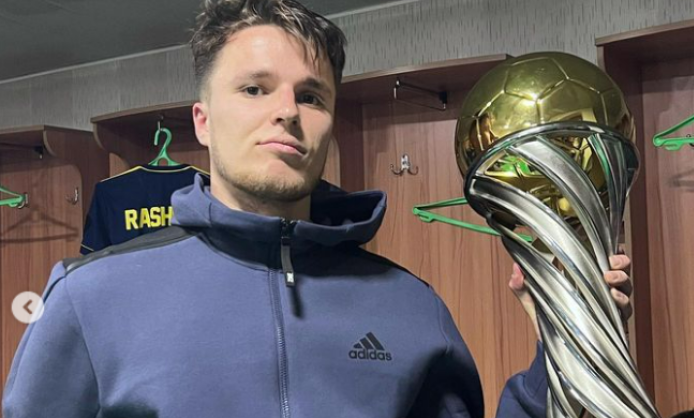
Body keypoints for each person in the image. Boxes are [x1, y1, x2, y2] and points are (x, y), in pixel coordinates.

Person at [1, 0, 633, 417]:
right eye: (254, 89)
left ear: (330, 122)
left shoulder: (412, 308)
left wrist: (563, 346)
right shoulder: (90, 299)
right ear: (203, 121)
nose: (286, 111)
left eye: (311, 96)